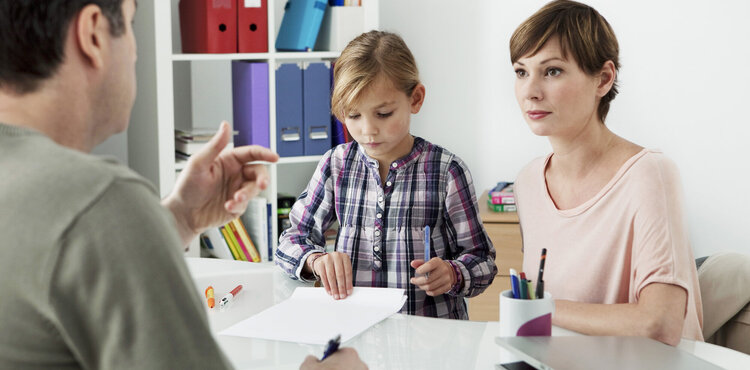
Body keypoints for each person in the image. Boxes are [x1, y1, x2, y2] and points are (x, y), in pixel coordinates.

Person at [0, 0, 366, 369]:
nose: (136, 50)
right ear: (93, 34)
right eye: (129, 25)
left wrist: (179, 218)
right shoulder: (99, 202)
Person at [510, 0, 703, 345]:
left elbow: (660, 323)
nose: (530, 92)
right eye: (522, 72)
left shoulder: (650, 174)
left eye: (552, 71)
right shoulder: (527, 182)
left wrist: (536, 307)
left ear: (603, 79)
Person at [274, 30, 497, 319]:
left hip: (431, 346)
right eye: (353, 115)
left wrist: (453, 274)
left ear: (415, 99)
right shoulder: (335, 165)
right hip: (355, 337)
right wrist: (315, 261)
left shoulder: (446, 171)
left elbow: (482, 260)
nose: (367, 130)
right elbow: (292, 239)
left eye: (383, 114)